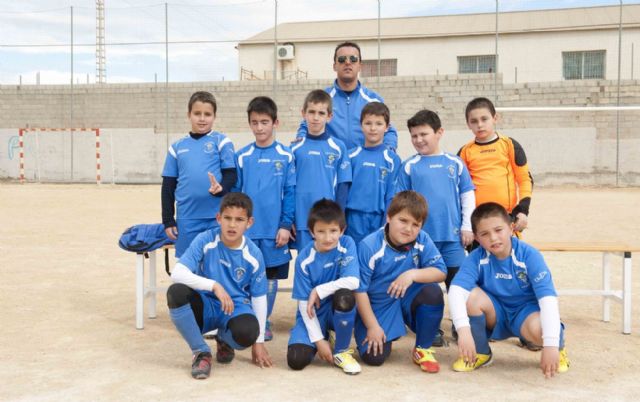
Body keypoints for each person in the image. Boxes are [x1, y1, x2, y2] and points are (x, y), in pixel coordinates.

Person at [448, 202, 569, 377]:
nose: (493, 238)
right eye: (484, 234)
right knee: (470, 296)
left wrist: (550, 345)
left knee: (542, 330)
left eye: (498, 230)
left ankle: (559, 348)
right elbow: (456, 292)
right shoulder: (476, 258)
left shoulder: (529, 255)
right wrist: (463, 331)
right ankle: (481, 353)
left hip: (526, 314)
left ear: (511, 228)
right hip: (496, 313)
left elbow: (548, 300)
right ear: (476, 238)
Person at [166, 192, 272, 380]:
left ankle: (224, 339)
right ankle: (201, 352)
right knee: (176, 293)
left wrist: (259, 341)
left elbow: (259, 297)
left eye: (239, 219)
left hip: (235, 308)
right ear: (218, 218)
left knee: (248, 332)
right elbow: (177, 273)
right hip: (207, 303)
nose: (232, 225)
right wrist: (214, 285)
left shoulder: (253, 255)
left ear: (249, 222)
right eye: (227, 218)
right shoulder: (206, 240)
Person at [398, 109, 475, 344]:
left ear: (439, 132)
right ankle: (430, 327)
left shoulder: (455, 163)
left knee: (458, 284)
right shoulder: (409, 166)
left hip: (451, 238)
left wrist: (467, 226)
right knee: (427, 288)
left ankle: (460, 325)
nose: (419, 140)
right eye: (414, 136)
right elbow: (400, 202)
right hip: (422, 241)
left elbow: (467, 196)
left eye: (424, 134)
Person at [355, 191, 447, 373]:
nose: (409, 229)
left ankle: (423, 348)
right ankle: (384, 329)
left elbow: (441, 272)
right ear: (388, 217)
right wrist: (373, 326)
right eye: (403, 221)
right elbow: (359, 291)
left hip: (407, 298)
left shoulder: (422, 239)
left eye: (416, 224)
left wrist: (412, 274)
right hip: (379, 305)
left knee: (432, 292)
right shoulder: (369, 245)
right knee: (374, 358)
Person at [234, 96, 295, 341]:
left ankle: (264, 320)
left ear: (275, 122)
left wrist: (284, 225)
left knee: (270, 278)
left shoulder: (286, 156)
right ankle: (247, 318)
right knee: (246, 276)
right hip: (248, 232)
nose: (259, 127)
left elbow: (290, 192)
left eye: (264, 122)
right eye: (255, 122)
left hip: (274, 232)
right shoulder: (242, 156)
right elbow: (236, 195)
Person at [287, 199, 361, 375]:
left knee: (345, 295)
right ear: (312, 232)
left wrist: (319, 290)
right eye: (321, 231)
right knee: (296, 359)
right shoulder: (304, 259)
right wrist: (319, 340)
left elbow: (353, 281)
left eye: (333, 231)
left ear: (342, 230)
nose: (328, 238)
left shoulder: (347, 244)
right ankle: (325, 335)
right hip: (314, 313)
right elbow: (305, 304)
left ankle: (341, 351)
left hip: (338, 308)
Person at [161, 91, 236, 258]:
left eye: (207, 114)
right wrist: (168, 219)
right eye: (197, 113)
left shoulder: (222, 142)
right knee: (188, 266)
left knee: (218, 264)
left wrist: (221, 188)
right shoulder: (177, 147)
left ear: (214, 116)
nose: (202, 118)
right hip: (187, 218)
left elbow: (231, 175)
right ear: (189, 115)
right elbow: (168, 187)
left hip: (216, 217)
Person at [296, 41, 398, 150]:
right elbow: (307, 124)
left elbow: (389, 129)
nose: (348, 63)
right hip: (332, 163)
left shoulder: (373, 100)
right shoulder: (323, 99)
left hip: (362, 164)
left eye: (353, 59)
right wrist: (301, 138)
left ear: (360, 66)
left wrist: (387, 150)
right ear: (335, 66)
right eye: (342, 59)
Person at [458, 97, 532, 235]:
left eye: (484, 119)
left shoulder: (510, 145)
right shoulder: (464, 152)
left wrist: (523, 211)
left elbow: (525, 180)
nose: (479, 125)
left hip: (506, 217)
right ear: (468, 124)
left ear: (495, 118)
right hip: (478, 220)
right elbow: (460, 189)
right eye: (474, 121)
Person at [291, 89, 351, 250]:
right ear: (303, 113)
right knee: (305, 263)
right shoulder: (294, 148)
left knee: (328, 265)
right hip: (301, 218)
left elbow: (343, 186)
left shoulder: (338, 147)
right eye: (311, 112)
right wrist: (290, 218)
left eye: (321, 113)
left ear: (329, 116)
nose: (316, 117)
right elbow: (288, 187)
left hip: (328, 221)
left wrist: (339, 218)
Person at [345, 102, 401, 245]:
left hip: (379, 219)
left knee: (376, 261)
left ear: (387, 127)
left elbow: (391, 195)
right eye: (368, 123)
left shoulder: (392, 159)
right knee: (355, 262)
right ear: (361, 125)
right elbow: (343, 190)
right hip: (353, 219)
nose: (373, 128)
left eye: (378, 123)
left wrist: (386, 222)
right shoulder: (351, 156)